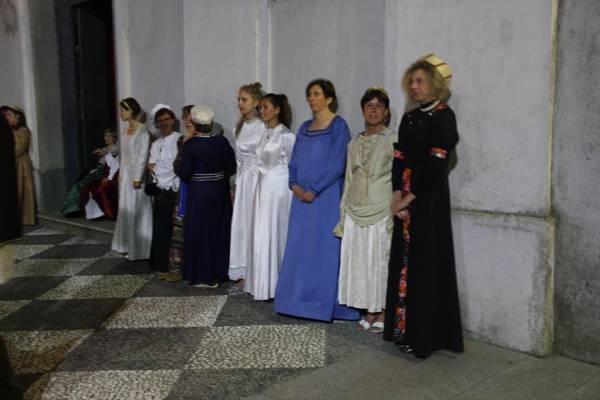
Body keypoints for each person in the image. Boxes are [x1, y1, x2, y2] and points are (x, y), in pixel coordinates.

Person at [384, 54, 464, 358]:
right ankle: (404, 330)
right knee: (404, 264)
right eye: (411, 82)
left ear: (435, 85)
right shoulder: (410, 117)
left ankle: (426, 338)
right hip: (405, 199)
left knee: (426, 265)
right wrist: (395, 192)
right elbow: (400, 155)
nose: (414, 87)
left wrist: (410, 195)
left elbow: (435, 163)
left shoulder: (445, 117)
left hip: (428, 200)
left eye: (420, 81)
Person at [274, 79, 359, 322]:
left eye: (316, 94)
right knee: (299, 248)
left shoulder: (338, 126)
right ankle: (293, 300)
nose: (311, 98)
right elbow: (295, 160)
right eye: (309, 94)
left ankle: (322, 304)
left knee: (323, 249)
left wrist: (315, 188)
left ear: (329, 98)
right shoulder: (303, 128)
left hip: (326, 198)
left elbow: (337, 163)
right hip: (301, 199)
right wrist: (294, 184)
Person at [335, 87, 395, 333]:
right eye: (369, 106)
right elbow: (349, 178)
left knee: (379, 261)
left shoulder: (394, 139)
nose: (373, 110)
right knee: (362, 261)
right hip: (356, 208)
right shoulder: (353, 143)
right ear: (362, 110)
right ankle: (368, 311)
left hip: (381, 208)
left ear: (386, 111)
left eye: (378, 106)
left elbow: (401, 178)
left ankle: (382, 310)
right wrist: (344, 213)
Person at [176, 106, 236, 287]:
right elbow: (231, 167)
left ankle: (204, 276)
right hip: (219, 191)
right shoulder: (222, 142)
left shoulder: (191, 145)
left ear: (194, 123)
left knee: (200, 233)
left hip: (199, 194)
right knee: (218, 231)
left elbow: (184, 172)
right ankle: (220, 272)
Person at [244, 93, 295, 300]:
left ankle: (277, 284)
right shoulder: (263, 134)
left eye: (266, 107)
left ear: (277, 109)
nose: (262, 111)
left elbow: (292, 164)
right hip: (262, 185)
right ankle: (260, 282)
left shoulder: (286, 136)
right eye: (260, 108)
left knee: (275, 230)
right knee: (260, 232)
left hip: (278, 187)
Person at [228, 82, 265, 290]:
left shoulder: (262, 127)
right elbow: (239, 160)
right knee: (242, 226)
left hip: (257, 181)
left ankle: (257, 270)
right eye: (239, 100)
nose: (240, 103)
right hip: (244, 182)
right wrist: (236, 185)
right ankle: (243, 270)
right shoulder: (238, 128)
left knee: (256, 225)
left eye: (244, 100)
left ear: (256, 102)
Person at [111, 97, 153, 261]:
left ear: (131, 111)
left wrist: (137, 177)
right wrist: (121, 173)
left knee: (137, 209)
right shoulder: (125, 130)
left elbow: (142, 155)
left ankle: (140, 247)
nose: (120, 113)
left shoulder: (142, 130)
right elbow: (124, 154)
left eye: (123, 110)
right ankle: (125, 244)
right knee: (126, 208)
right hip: (126, 173)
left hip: (136, 175)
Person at [148, 108, 182, 278]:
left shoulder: (179, 139)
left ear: (173, 120)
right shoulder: (156, 144)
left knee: (174, 231)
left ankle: (174, 266)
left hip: (175, 189)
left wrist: (164, 170)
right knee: (161, 228)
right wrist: (164, 170)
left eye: (166, 119)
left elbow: (177, 165)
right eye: (160, 121)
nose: (164, 123)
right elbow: (151, 165)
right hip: (161, 190)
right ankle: (161, 264)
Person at [61, 128, 119, 219]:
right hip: (97, 170)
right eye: (105, 136)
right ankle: (71, 208)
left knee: (83, 185)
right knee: (79, 183)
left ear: (114, 138)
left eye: (109, 136)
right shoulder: (104, 148)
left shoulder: (115, 148)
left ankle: (76, 209)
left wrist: (104, 152)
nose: (106, 138)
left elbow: (113, 154)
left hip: (104, 173)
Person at [1, 105, 35, 226]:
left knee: (21, 190)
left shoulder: (23, 131)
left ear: (17, 116)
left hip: (21, 164)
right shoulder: (9, 131)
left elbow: (19, 148)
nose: (7, 117)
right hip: (11, 164)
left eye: (9, 115)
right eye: (6, 115)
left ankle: (23, 219)